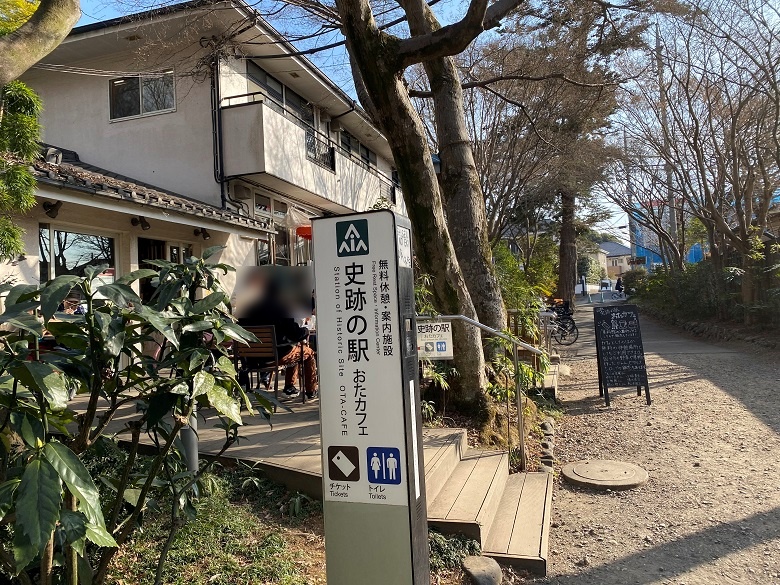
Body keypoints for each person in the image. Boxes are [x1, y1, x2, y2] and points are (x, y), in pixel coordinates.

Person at [238, 280, 318, 398]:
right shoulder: (281, 309)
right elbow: (294, 334)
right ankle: (310, 391)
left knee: (294, 349)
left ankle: (290, 387)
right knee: (307, 352)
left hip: (251, 358)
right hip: (276, 356)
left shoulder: (249, 308)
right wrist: (305, 331)